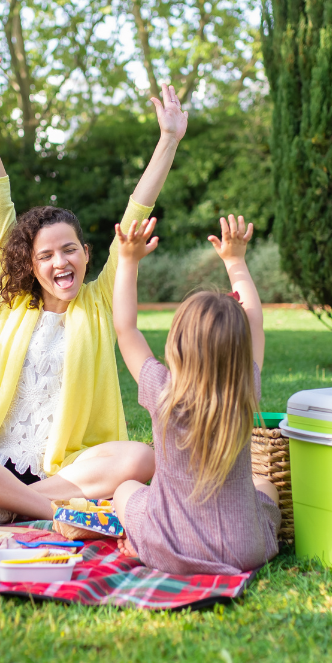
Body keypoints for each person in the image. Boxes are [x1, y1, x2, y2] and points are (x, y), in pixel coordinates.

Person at [0, 56, 188, 525]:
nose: (60, 262)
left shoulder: (98, 302)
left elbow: (137, 210)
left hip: (65, 469)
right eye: (47, 255)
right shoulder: (14, 299)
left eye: (69, 250)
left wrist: (169, 140)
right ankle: (49, 511)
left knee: (141, 458)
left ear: (87, 254)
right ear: (30, 266)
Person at [110, 214, 280, 575]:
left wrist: (128, 261)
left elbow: (126, 330)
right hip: (243, 550)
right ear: (240, 350)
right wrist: (235, 261)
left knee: (125, 490)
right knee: (265, 484)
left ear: (177, 344)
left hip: (168, 547)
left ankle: (135, 540)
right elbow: (255, 322)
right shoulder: (244, 387)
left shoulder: (162, 390)